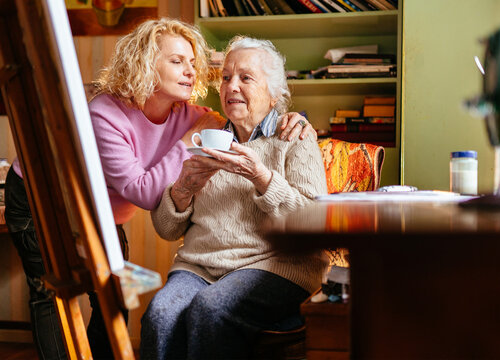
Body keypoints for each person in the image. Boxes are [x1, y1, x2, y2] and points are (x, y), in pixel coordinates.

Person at [4, 18, 314, 360]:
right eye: (177, 61)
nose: (191, 72)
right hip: (44, 196)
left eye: (193, 63)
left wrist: (296, 118)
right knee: (52, 292)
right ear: (145, 63)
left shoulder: (196, 117)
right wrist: (184, 172)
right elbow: (150, 200)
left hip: (102, 210)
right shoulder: (108, 114)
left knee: (113, 293)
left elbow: (251, 119)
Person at [140, 35, 329, 360]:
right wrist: (182, 189)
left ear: (274, 94)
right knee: (160, 314)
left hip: (274, 266)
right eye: (226, 77)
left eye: (246, 78)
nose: (231, 87)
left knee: (211, 309)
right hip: (199, 267)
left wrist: (261, 177)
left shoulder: (294, 138)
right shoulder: (204, 137)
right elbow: (166, 229)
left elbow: (314, 223)